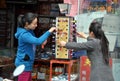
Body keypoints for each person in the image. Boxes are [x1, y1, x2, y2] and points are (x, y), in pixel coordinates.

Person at [14, 12, 56, 81]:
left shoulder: (28, 31)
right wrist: (49, 31)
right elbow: (37, 41)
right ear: (27, 24)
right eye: (34, 23)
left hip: (26, 63)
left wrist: (42, 41)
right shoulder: (24, 34)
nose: (36, 25)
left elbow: (35, 41)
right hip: (23, 64)